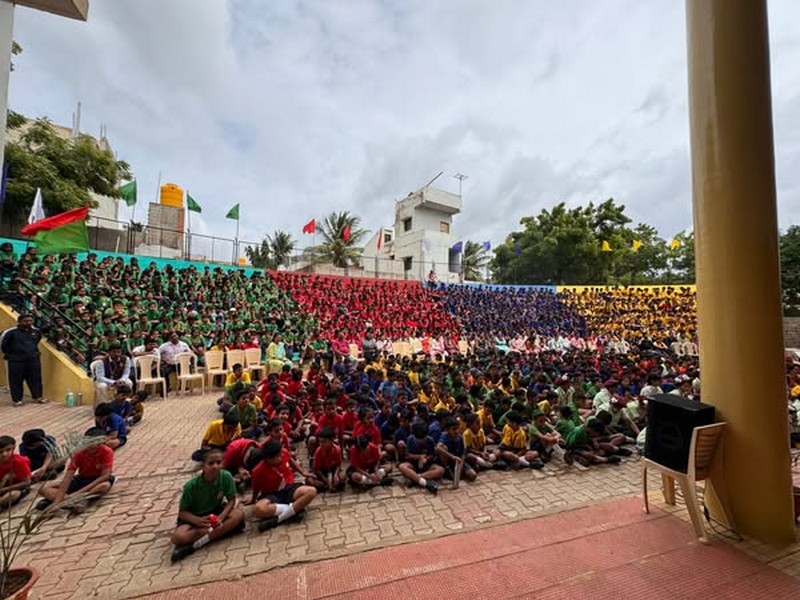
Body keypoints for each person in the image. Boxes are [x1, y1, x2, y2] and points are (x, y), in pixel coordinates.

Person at [170, 448, 246, 562]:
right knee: (177, 537)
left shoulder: (226, 476)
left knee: (238, 515)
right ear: (203, 467)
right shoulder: (191, 486)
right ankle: (219, 532)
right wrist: (198, 521)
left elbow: (231, 500)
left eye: (218, 463)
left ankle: (195, 545)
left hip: (215, 512)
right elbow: (183, 513)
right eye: (211, 463)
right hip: (194, 517)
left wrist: (221, 517)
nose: (215, 466)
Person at [38, 427, 115, 511]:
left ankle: (75, 499)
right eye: (90, 442)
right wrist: (57, 502)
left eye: (97, 442)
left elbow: (105, 476)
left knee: (104, 486)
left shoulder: (107, 451)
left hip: (97, 480)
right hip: (81, 478)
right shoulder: (79, 453)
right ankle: (73, 501)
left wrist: (77, 493)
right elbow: (68, 476)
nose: (94, 445)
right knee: (43, 489)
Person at [249, 439, 318, 532]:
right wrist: (253, 499)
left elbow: (291, 461)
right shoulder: (258, 471)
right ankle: (294, 510)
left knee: (311, 491)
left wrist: (303, 472)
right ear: (269, 458)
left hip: (289, 489)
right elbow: (256, 487)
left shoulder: (284, 452)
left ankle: (279, 519)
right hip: (272, 495)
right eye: (278, 456)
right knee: (258, 509)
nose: (281, 456)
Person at [1, 314, 46, 406]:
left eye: (30, 321)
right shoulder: (11, 332)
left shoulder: (36, 332)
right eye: (26, 321)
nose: (28, 323)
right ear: (19, 322)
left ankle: (37, 397)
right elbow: (4, 346)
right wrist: (14, 354)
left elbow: (36, 341)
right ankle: (17, 400)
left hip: (33, 359)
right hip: (16, 360)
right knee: (16, 380)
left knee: (35, 379)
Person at [398, 422, 444, 494]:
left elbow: (432, 455)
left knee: (440, 470)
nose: (421, 440)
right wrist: (418, 457)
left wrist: (426, 458)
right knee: (402, 466)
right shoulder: (410, 439)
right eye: (419, 439)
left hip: (427, 465)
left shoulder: (430, 440)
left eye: (423, 438)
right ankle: (424, 482)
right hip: (413, 464)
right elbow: (407, 455)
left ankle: (415, 478)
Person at [436, 417, 476, 482]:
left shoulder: (460, 437)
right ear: (447, 430)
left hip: (458, 461)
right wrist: (452, 457)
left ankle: (462, 471)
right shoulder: (444, 436)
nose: (456, 431)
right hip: (449, 460)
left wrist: (461, 466)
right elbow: (438, 447)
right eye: (453, 429)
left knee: (473, 475)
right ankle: (447, 469)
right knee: (443, 448)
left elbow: (463, 453)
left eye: (457, 428)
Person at [306, 427, 345, 492]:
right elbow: (317, 469)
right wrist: (326, 480)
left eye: (324, 442)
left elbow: (338, 465)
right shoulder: (318, 451)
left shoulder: (337, 449)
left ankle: (331, 485)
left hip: (332, 469)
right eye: (320, 442)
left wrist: (335, 475)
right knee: (309, 480)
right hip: (321, 472)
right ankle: (327, 485)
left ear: (331, 440)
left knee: (343, 476)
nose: (321, 444)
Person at [0, 436, 32, 508]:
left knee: (13, 495)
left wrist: (4, 489)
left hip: (17, 487)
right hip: (3, 485)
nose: (4, 454)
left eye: (8, 450)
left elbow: (27, 482)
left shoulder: (19, 462)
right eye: (0, 452)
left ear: (13, 448)